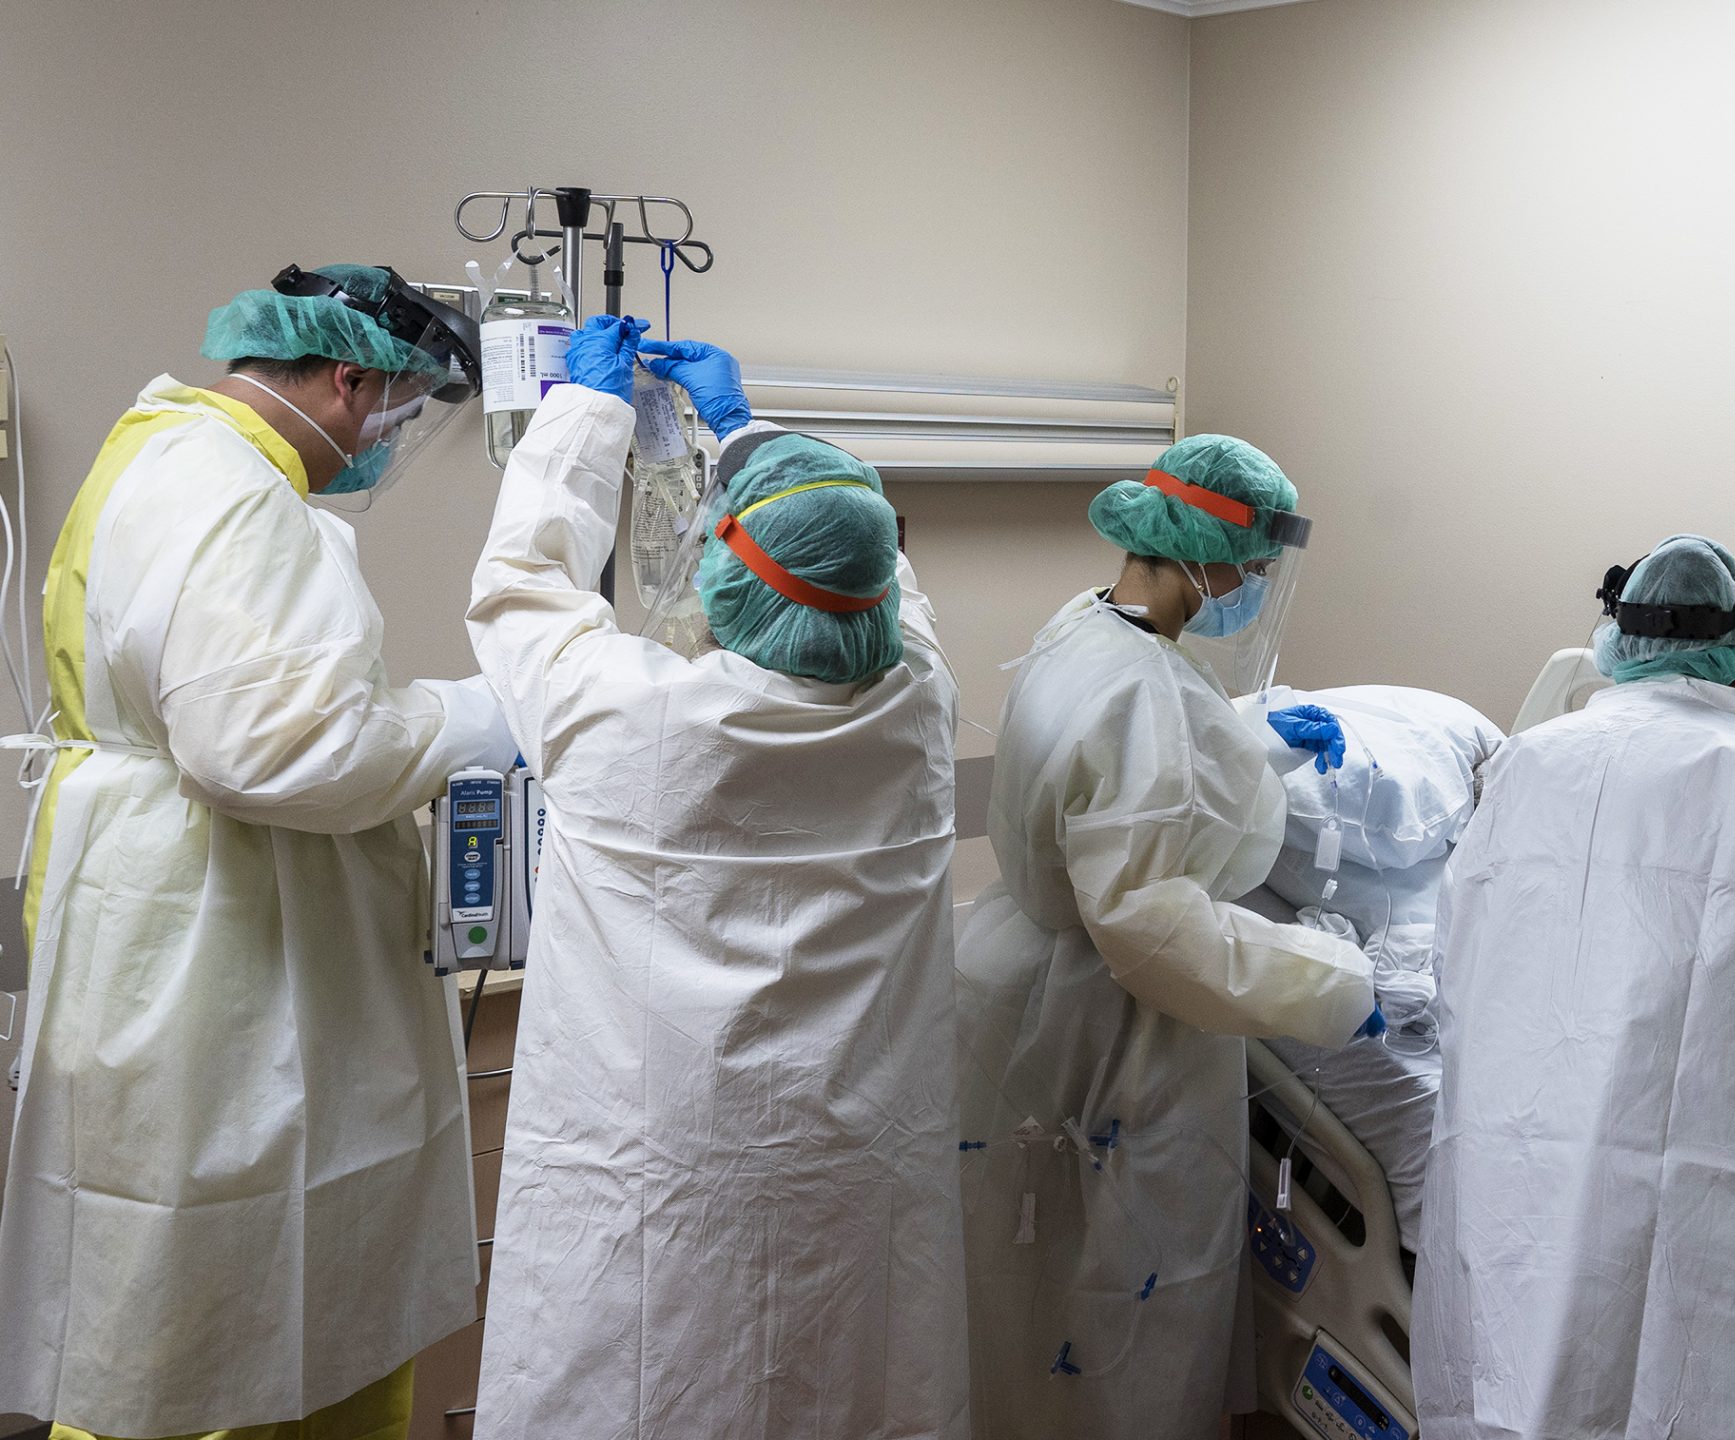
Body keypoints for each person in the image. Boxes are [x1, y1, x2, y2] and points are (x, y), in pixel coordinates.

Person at [0, 264, 519, 1440]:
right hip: (226, 952)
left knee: (172, 1304)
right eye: (404, 410)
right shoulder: (240, 497)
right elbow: (276, 750)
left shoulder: (152, 450)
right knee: (232, 1312)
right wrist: (476, 718)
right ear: (350, 382)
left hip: (158, 911)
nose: (392, 443)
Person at [467, 319, 967, 1439]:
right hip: (847, 1184)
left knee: (647, 1388)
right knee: (845, 1385)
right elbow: (871, 564)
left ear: (724, 576)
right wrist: (751, 434)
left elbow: (523, 589)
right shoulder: (919, 713)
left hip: (655, 1195)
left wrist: (586, 419)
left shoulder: (632, 722)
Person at [1413, 534, 1735, 1440]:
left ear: (1619, 641)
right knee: (1660, 1389)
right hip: (1686, 1162)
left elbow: (1457, 962)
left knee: (1510, 1380)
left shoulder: (1524, 762)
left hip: (1514, 1156)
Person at [954, 434, 1377, 1440]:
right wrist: (1335, 984)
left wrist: (1259, 745)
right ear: (1202, 544)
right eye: (1256, 556)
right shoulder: (1140, 691)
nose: (1260, 579)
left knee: (1030, 1289)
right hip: (1111, 1032)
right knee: (1116, 1303)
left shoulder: (1086, 625)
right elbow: (1155, 929)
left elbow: (1127, 788)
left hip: (1030, 982)